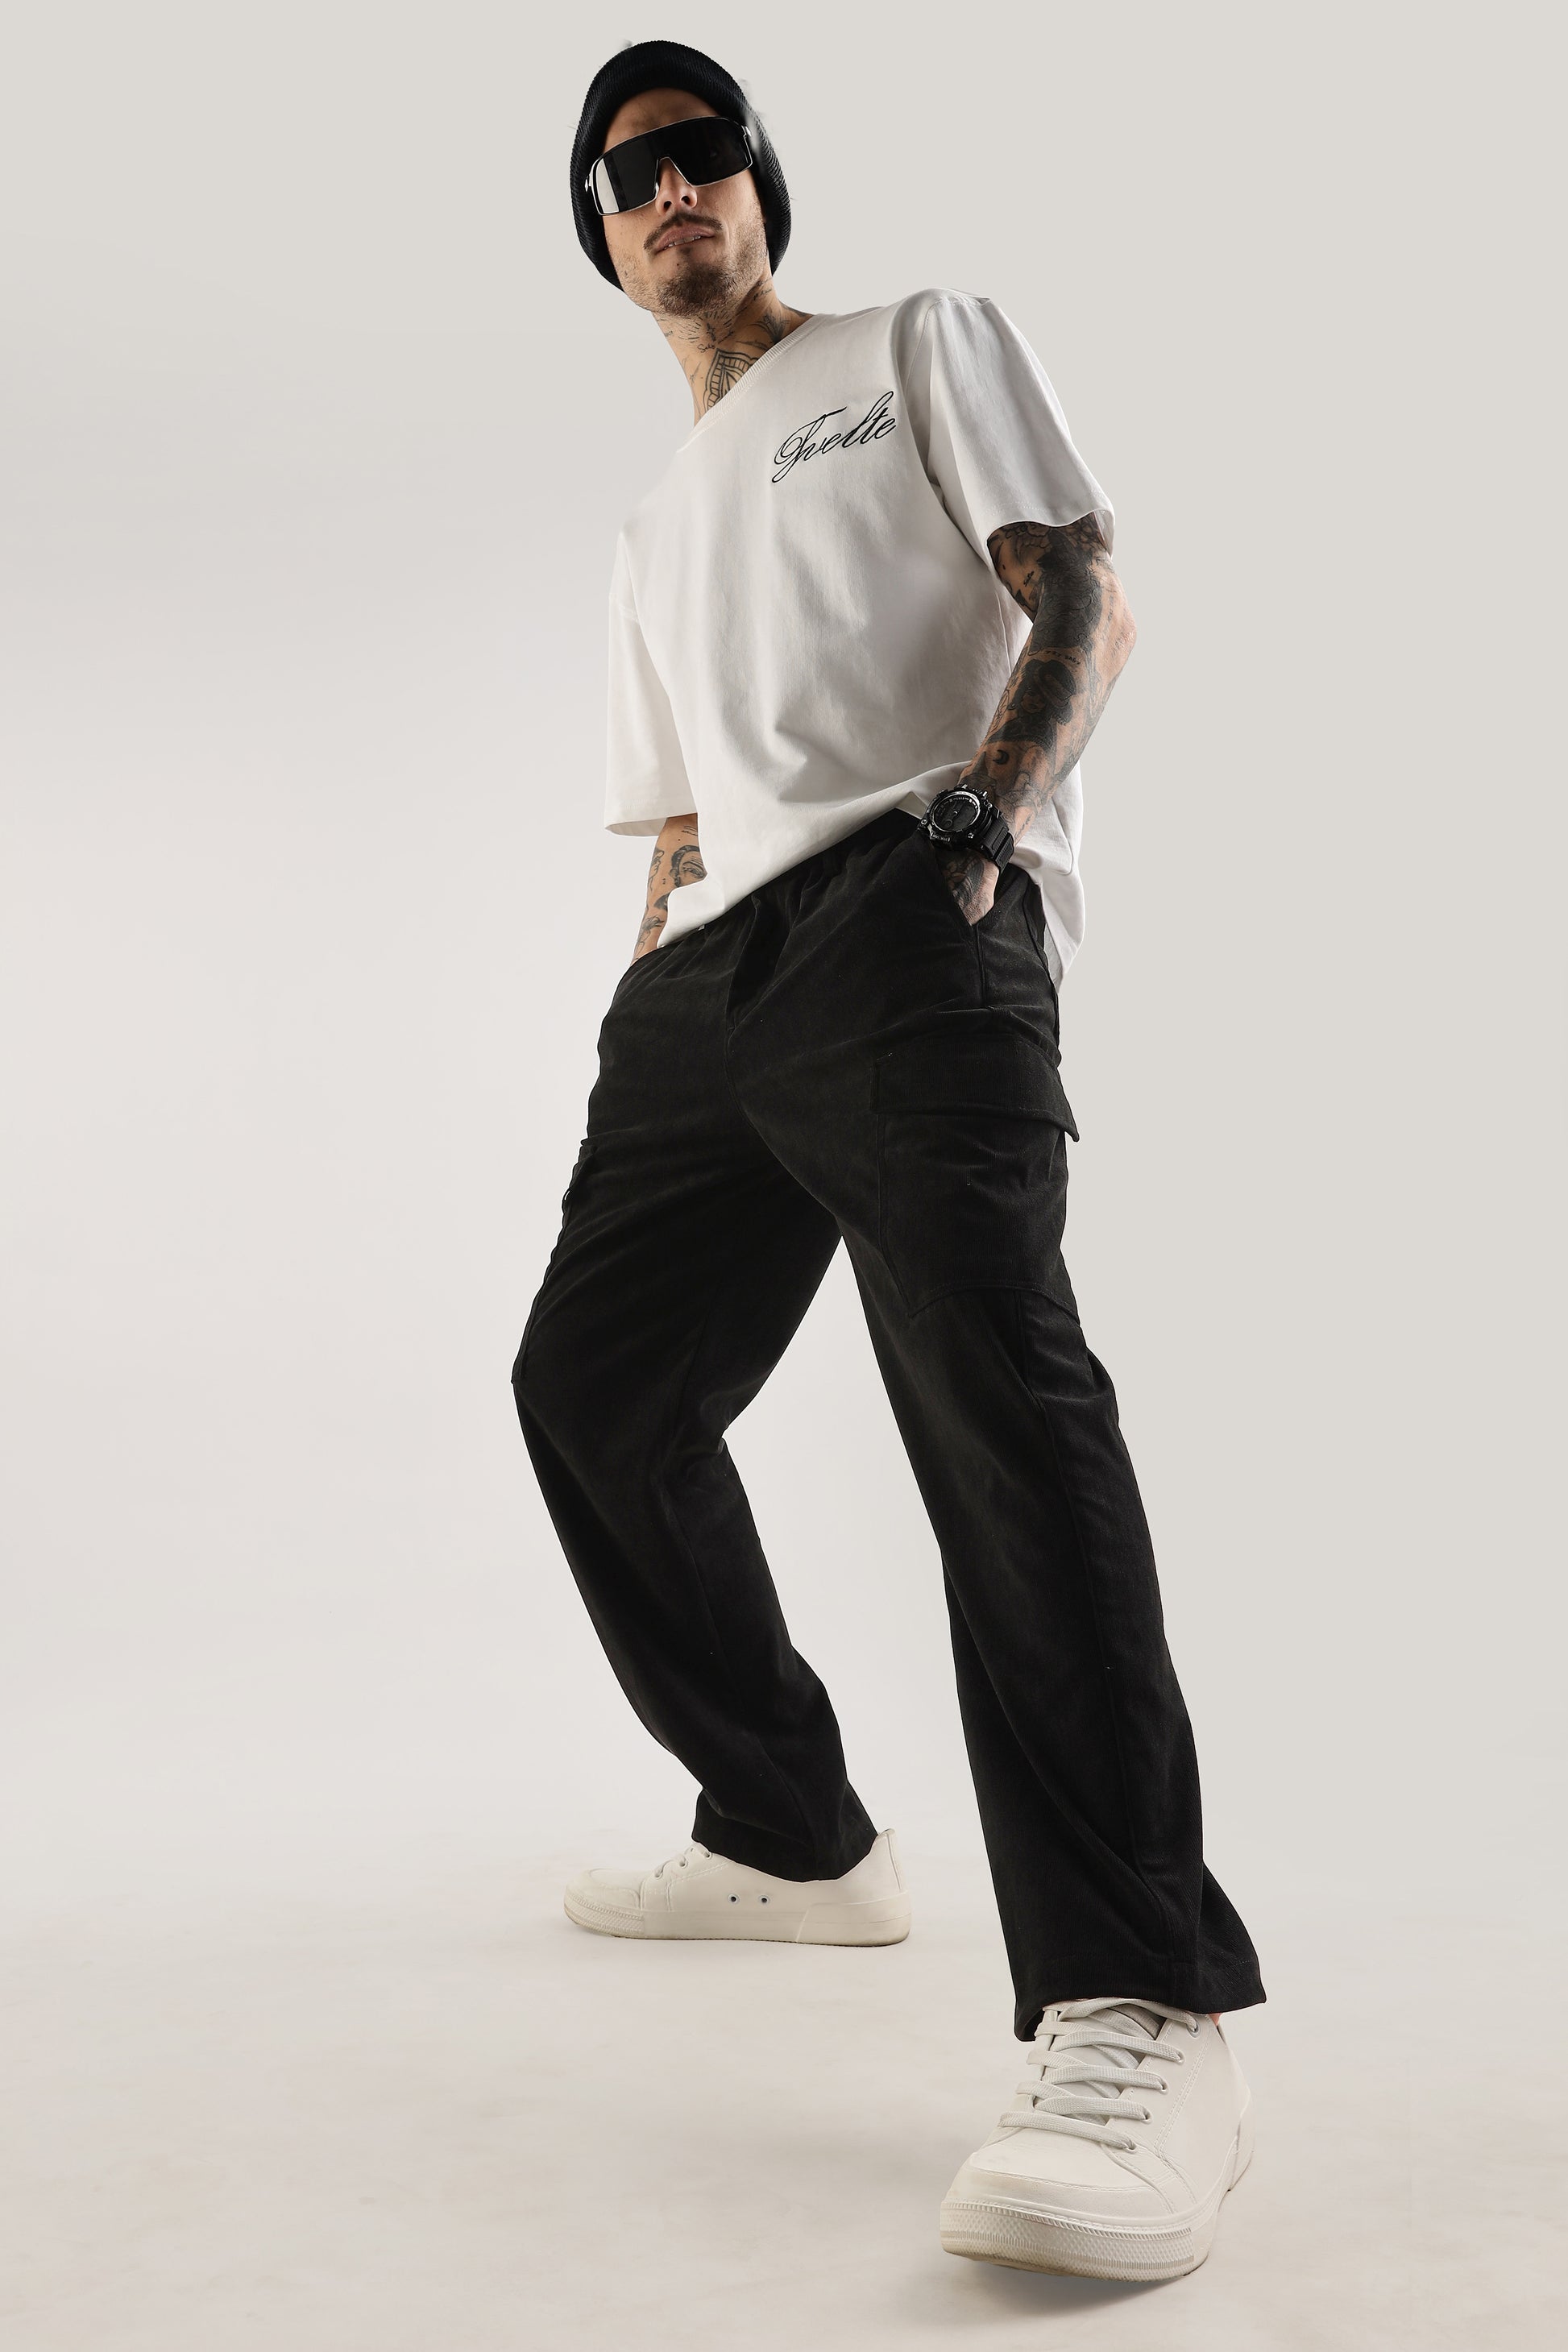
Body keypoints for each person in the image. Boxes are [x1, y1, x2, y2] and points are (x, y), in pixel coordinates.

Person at [513, 38, 1265, 2283]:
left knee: (994, 1411)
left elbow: (1081, 584)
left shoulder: (910, 343)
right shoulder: (651, 523)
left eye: (699, 150)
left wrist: (981, 826)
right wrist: (649, 994)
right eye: (624, 173)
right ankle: (792, 1829)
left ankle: (1149, 1997)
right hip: (710, 984)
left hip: (908, 915)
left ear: (757, 183)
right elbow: (678, 814)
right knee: (594, 1397)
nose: (667, 187)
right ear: (597, 236)